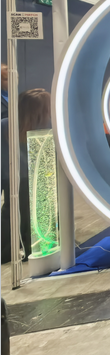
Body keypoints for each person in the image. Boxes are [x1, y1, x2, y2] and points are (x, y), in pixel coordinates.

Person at [2, 89, 51, 264]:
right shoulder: (44, 129)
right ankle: (34, 249)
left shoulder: (5, 125)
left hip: (10, 177)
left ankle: (7, 251)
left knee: (12, 213)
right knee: (35, 215)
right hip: (33, 177)